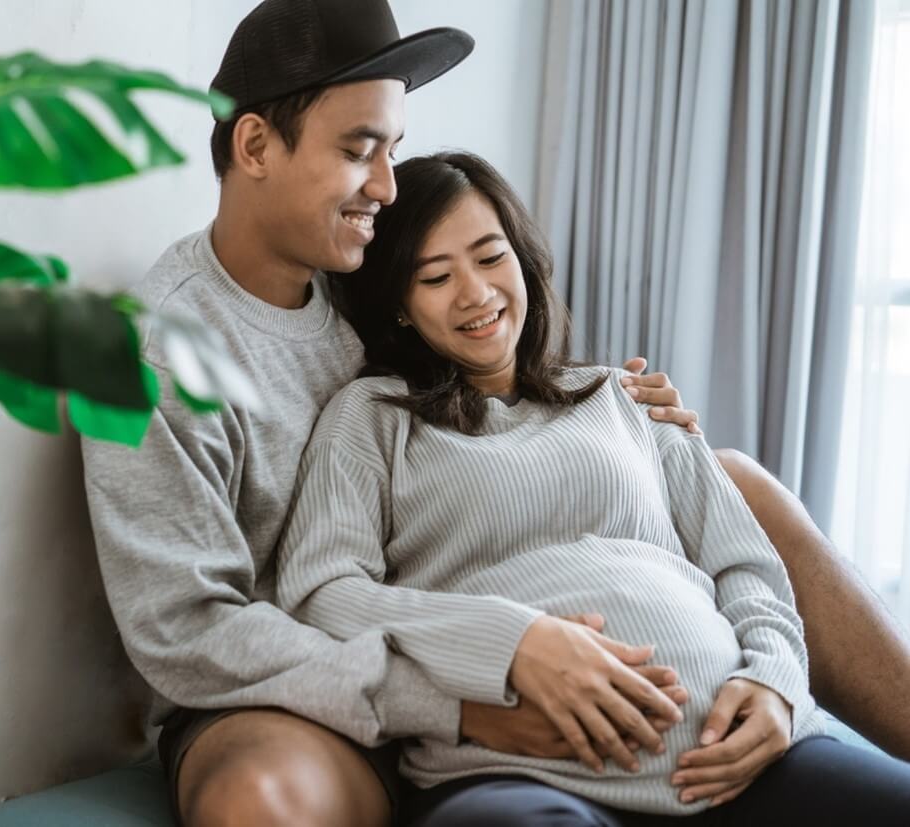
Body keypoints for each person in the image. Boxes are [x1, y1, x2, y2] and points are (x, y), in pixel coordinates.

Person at [80, 1, 910, 825]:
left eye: (392, 151)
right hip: (295, 679)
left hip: (462, 622)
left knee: (735, 481)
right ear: (254, 145)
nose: (384, 187)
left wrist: (625, 409)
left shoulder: (360, 269)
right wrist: (470, 695)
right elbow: (188, 633)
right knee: (264, 797)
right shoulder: (154, 355)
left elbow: (498, 351)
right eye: (356, 151)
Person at [275, 150, 910, 825]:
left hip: (740, 759)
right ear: (399, 306)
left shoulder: (624, 396)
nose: (474, 292)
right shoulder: (371, 416)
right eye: (434, 276)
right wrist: (511, 639)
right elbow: (322, 594)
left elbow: (746, 564)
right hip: (528, 773)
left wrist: (774, 680)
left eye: (491, 258)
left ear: (522, 260)